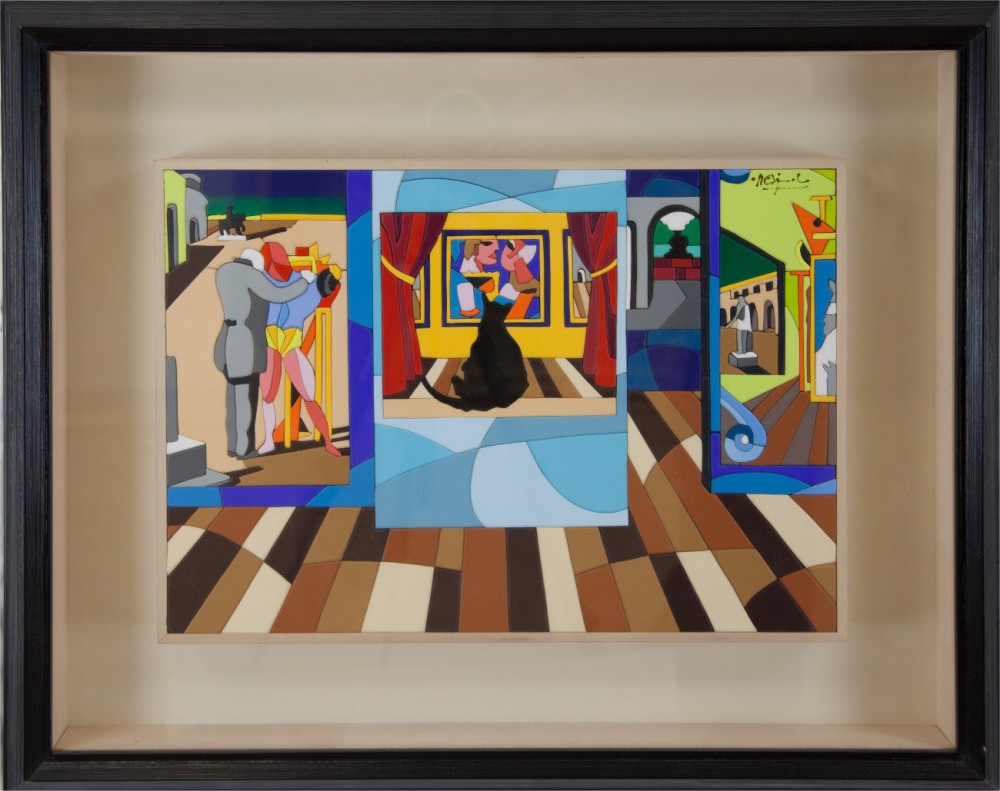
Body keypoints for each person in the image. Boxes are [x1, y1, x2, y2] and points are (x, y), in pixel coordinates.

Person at [213, 247, 313, 459]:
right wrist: (304, 280)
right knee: (245, 399)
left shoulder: (223, 271)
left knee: (232, 398)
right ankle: (244, 450)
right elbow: (278, 294)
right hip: (245, 345)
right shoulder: (249, 275)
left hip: (226, 339)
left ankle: (233, 446)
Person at [256, 241, 342, 457]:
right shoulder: (264, 280)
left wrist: (325, 280)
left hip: (289, 343)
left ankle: (327, 441)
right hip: (272, 342)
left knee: (308, 394)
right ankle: (269, 440)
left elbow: (326, 285)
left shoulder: (299, 279)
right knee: (268, 394)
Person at [455, 238, 499, 317]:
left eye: (478, 247)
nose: (478, 249)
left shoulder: (475, 259)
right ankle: (469, 310)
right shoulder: (467, 261)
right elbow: (470, 273)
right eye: (476, 247)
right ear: (471, 248)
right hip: (472, 281)